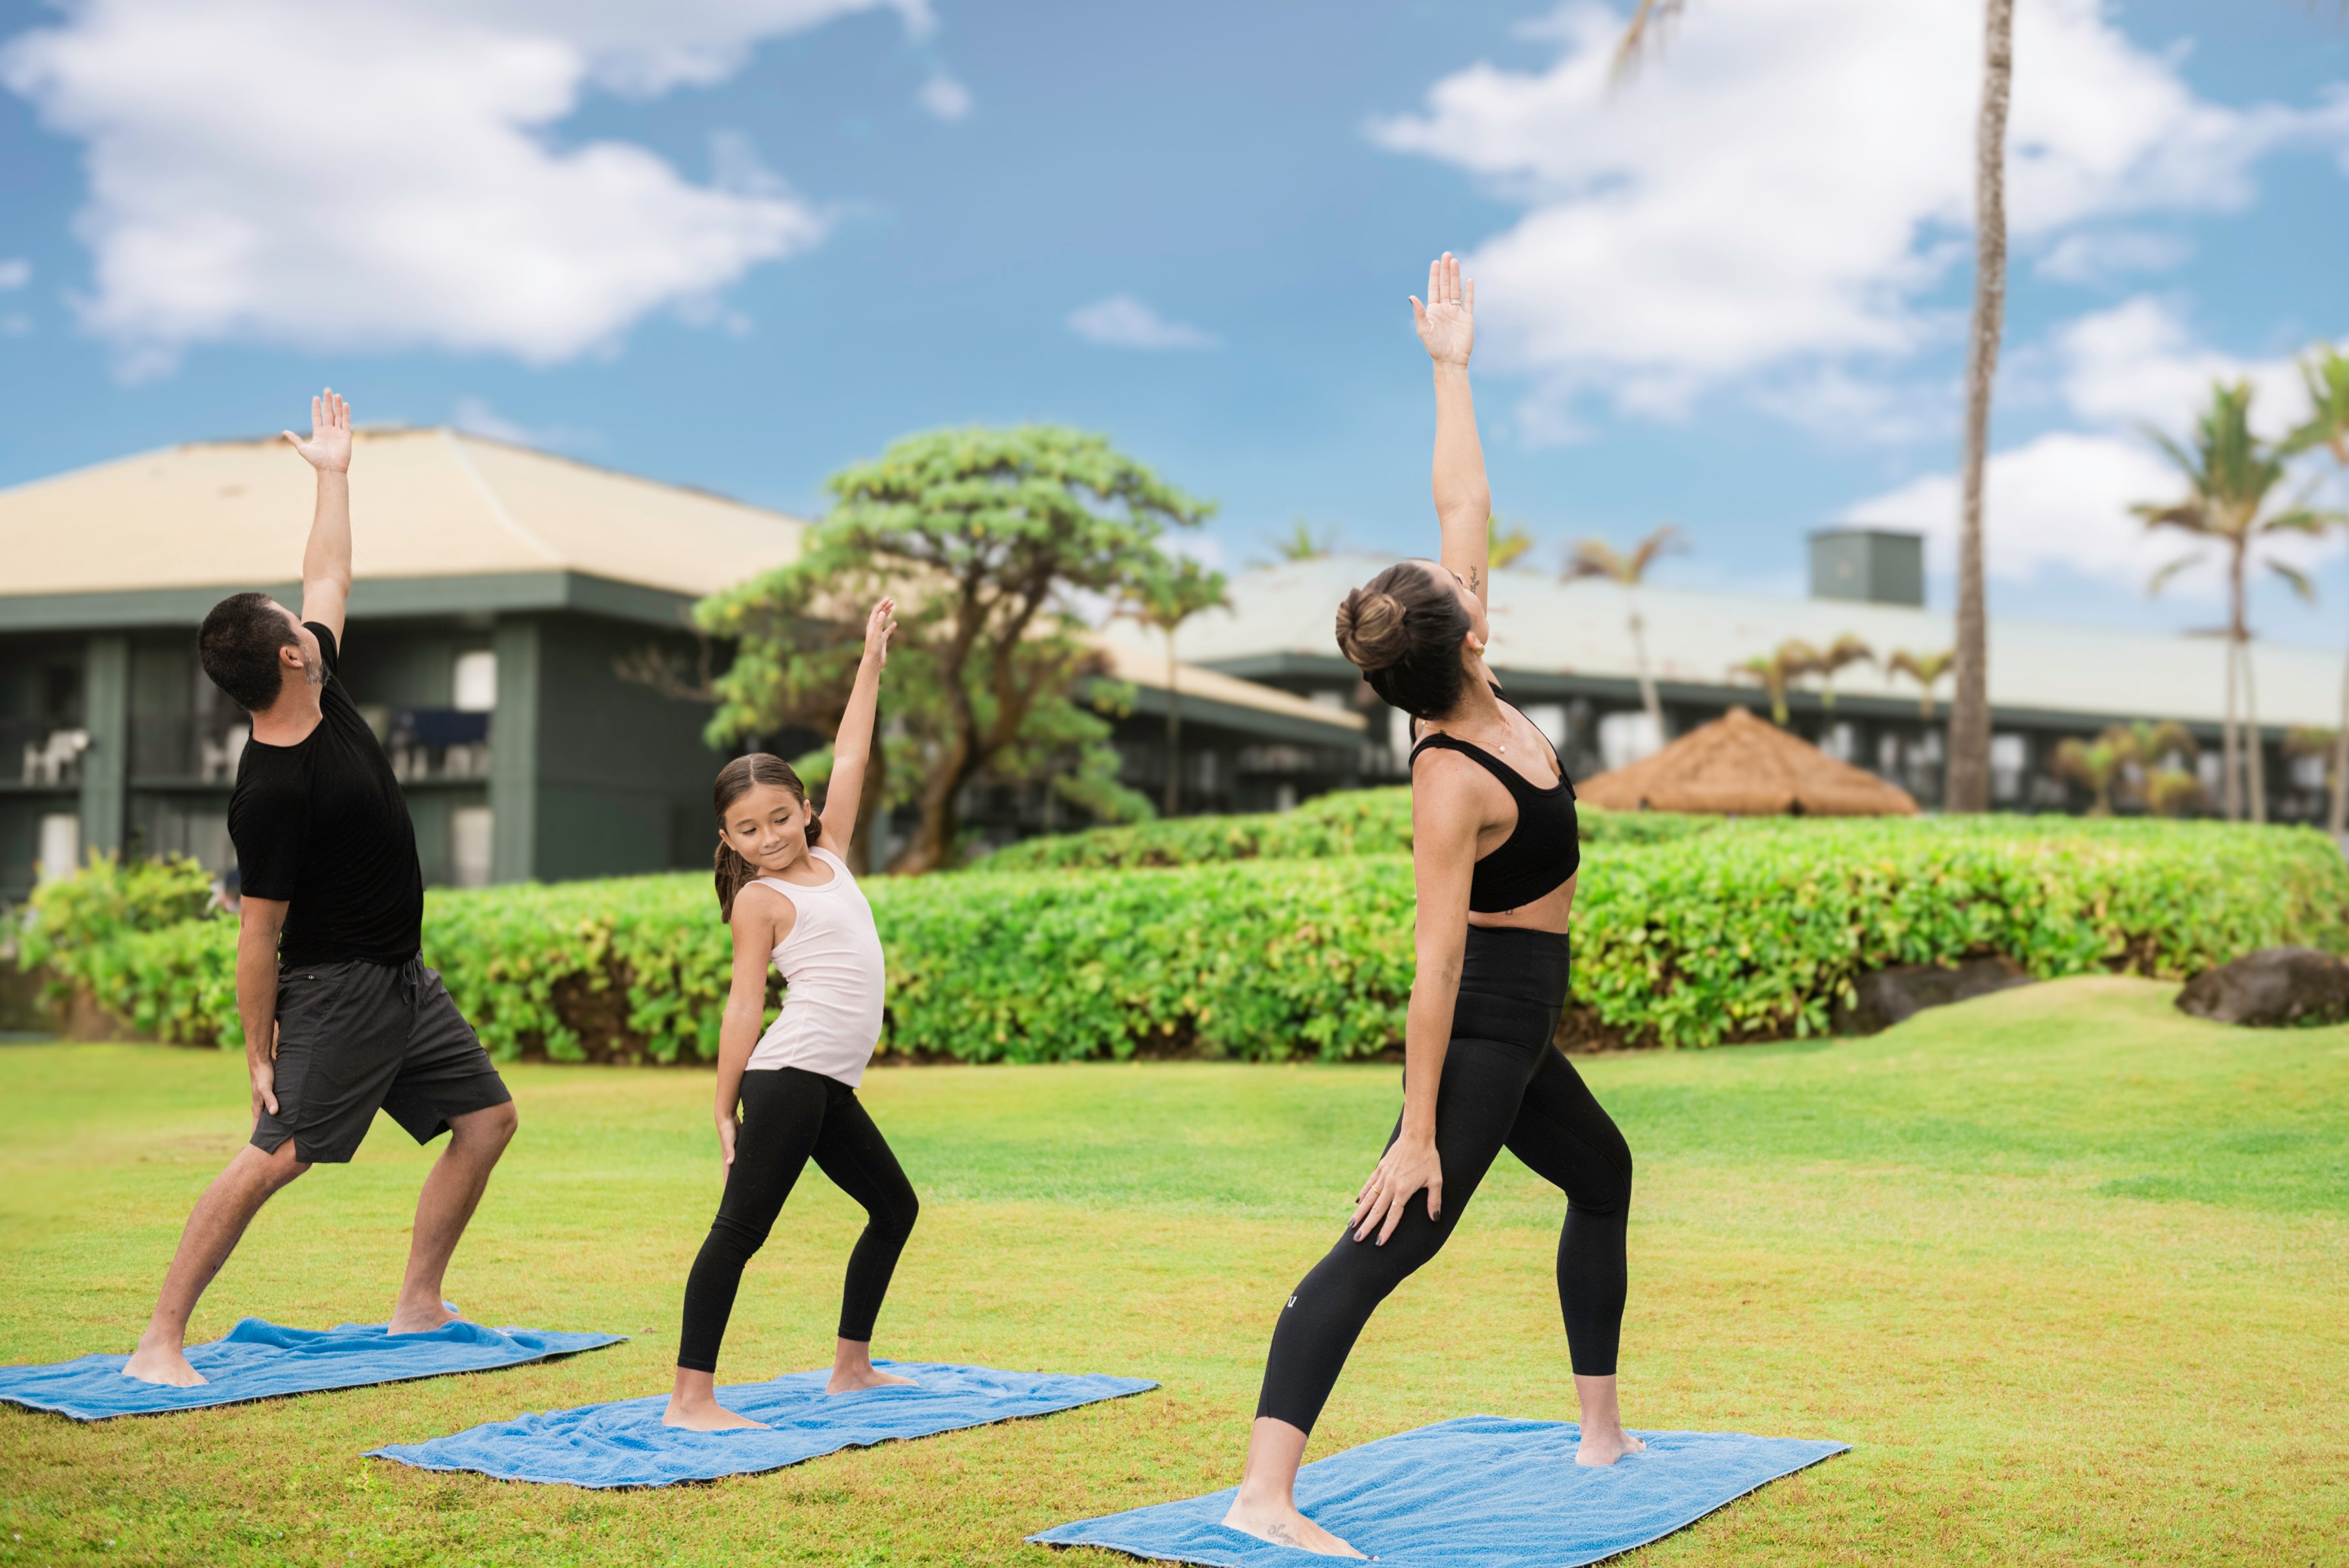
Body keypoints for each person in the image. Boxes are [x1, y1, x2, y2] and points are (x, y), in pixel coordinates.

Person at [1222, 257, 1640, 1556]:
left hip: (1519, 1025)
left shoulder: (1473, 676)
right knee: (1387, 1235)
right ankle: (1260, 1493)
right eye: (1461, 591)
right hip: (1479, 1033)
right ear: (1458, 637)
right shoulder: (1450, 778)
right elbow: (1434, 969)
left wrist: (1451, 365)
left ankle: (1602, 1430)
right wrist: (1417, 1131)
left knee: (1603, 1175)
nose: (1471, 579)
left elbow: (1463, 493)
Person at [121, 391, 519, 1387]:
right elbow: (257, 939)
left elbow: (329, 571)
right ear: (288, 656)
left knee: (488, 1122)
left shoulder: (321, 680)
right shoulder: (271, 791)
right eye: (287, 618)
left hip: (402, 980)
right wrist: (258, 1049)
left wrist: (335, 475)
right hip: (334, 990)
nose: (302, 613)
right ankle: (158, 1340)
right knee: (274, 1157)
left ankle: (417, 1305)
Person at [663, 597, 922, 1430]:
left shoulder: (833, 854)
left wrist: (872, 657)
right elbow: (745, 1005)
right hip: (786, 1078)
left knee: (895, 1208)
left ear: (805, 809)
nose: (770, 836)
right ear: (729, 839)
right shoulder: (761, 901)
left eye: (780, 817)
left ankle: (851, 1367)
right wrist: (722, 1102)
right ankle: (689, 1397)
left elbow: (851, 751)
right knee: (738, 1230)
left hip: (824, 1083)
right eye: (749, 829)